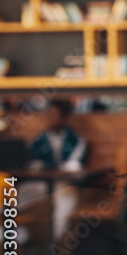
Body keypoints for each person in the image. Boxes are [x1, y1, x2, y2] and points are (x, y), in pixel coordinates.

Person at [26, 99, 88, 240]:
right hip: (41, 184)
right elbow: (30, 160)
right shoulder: (39, 139)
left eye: (55, 115)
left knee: (64, 202)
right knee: (14, 198)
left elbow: (75, 164)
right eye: (49, 114)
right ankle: (19, 243)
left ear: (64, 117)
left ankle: (54, 243)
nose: (51, 118)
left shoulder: (77, 140)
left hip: (64, 184)